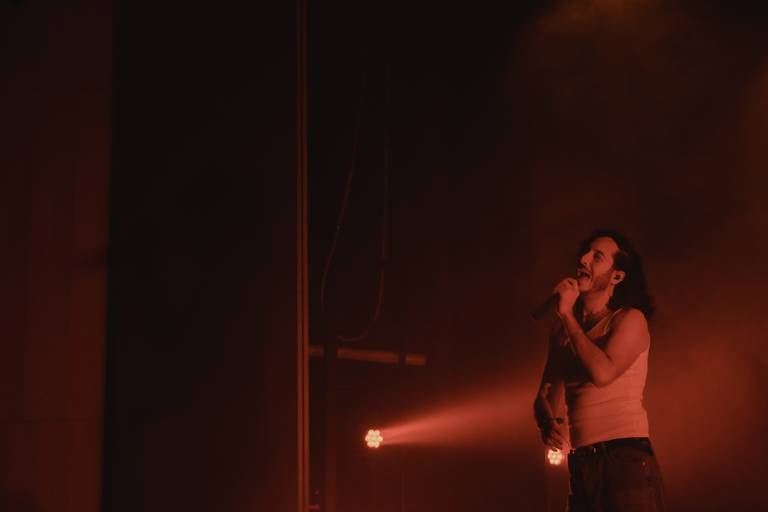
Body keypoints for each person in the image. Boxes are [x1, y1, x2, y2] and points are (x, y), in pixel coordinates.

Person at [533, 230, 665, 511]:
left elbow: (602, 374)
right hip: (581, 462)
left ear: (616, 276)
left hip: (623, 458)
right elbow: (545, 393)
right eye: (585, 253)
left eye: (597, 257)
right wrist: (547, 422)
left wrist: (567, 315)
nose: (583, 259)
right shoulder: (562, 330)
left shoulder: (629, 319)